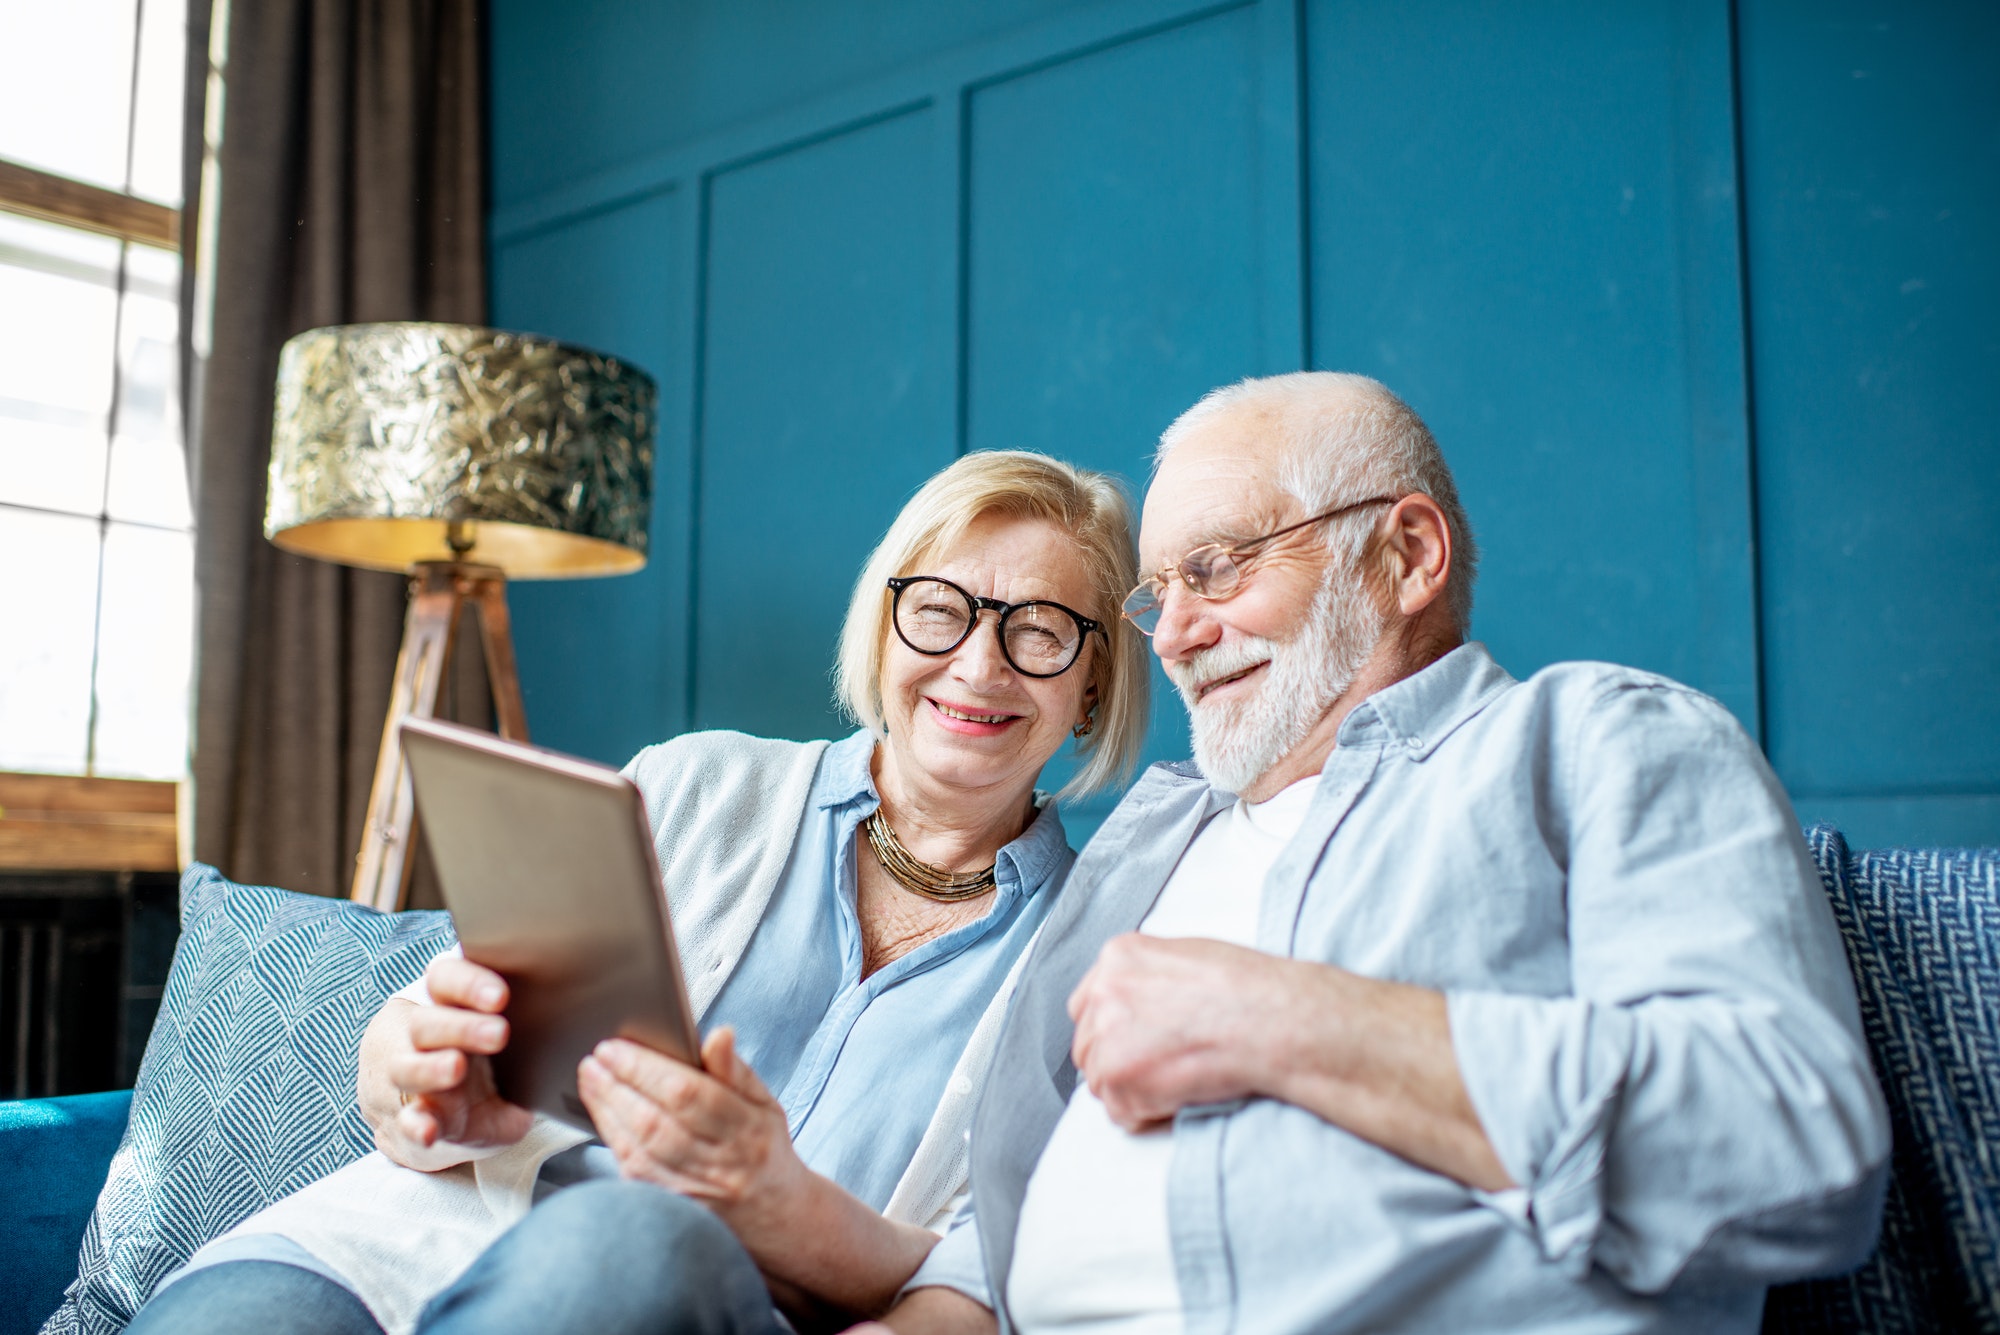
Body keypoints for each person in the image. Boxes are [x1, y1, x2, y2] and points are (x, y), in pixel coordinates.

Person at [876, 372, 1890, 1335]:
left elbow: (1790, 1141)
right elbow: (995, 1231)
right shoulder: (1150, 843)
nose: (1173, 634)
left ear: (1404, 555)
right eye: (1155, 594)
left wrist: (1282, 1018)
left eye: (1216, 567)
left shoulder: (1592, 741)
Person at [125, 449, 1150, 1335]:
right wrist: (417, 1077)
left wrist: (775, 1200)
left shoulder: (1098, 951)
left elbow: (992, 1270)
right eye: (938, 611)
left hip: (708, 1297)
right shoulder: (694, 785)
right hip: (429, 1226)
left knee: (635, 1236)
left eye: (1040, 631)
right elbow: (427, 1050)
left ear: (1091, 682)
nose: (977, 664)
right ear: (885, 631)